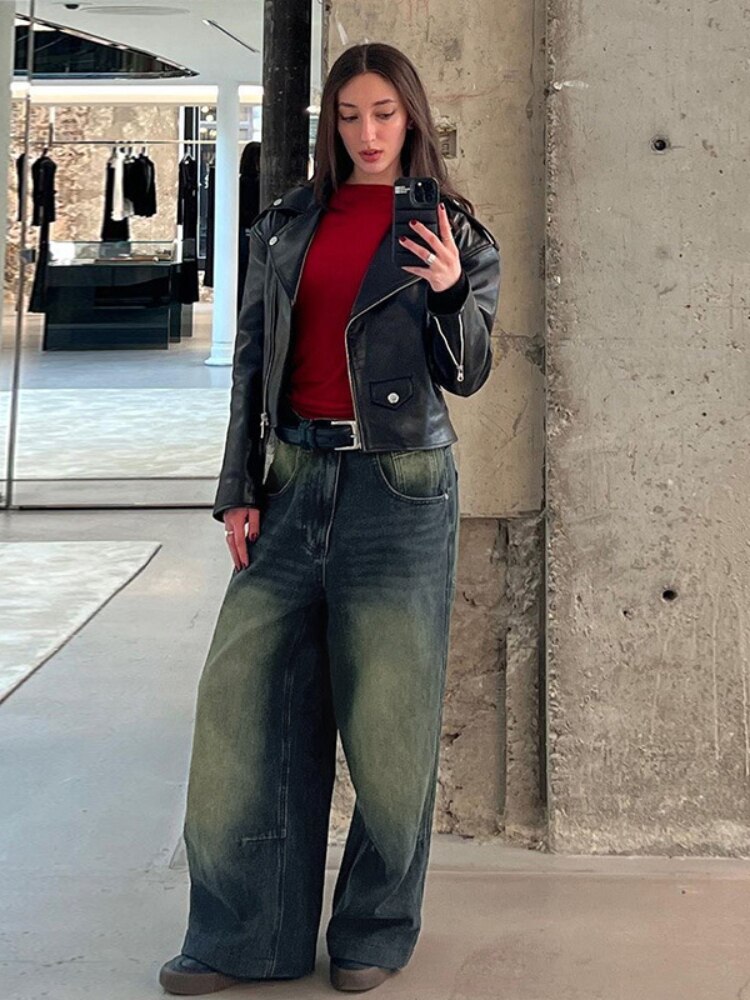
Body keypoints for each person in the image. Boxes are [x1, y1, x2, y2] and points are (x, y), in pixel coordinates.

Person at [159, 41, 501, 997]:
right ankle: (243, 936)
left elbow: (469, 373)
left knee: (390, 724)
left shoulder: (458, 234)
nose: (367, 133)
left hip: (401, 488)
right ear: (331, 125)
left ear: (411, 116)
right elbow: (251, 364)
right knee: (244, 710)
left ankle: (374, 930)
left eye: (383, 113)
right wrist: (239, 486)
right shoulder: (286, 223)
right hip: (292, 476)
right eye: (349, 116)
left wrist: (449, 290)